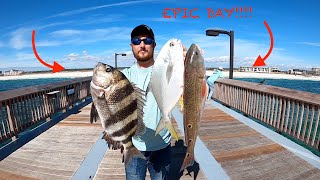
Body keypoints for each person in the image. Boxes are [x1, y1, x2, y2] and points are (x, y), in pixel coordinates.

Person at [120, 24, 183, 180]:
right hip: (134, 146)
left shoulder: (166, 70)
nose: (142, 45)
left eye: (147, 40)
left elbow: (186, 83)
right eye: (136, 41)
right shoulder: (124, 76)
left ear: (154, 44)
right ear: (131, 46)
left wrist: (185, 61)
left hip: (162, 146)